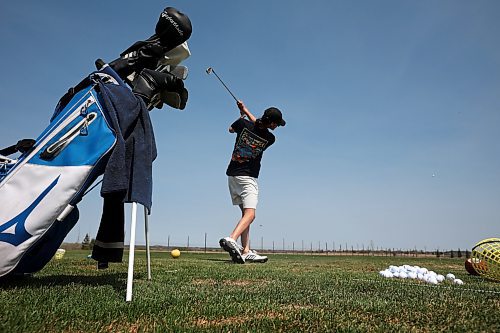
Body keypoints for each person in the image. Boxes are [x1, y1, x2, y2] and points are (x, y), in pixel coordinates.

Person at [219, 100, 285, 263]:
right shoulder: (270, 138)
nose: (277, 126)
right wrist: (246, 111)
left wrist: (243, 113)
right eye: (276, 123)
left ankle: (246, 250)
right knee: (251, 214)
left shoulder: (242, 124)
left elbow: (231, 129)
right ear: (271, 123)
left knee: (245, 216)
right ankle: (232, 239)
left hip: (232, 176)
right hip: (248, 178)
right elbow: (258, 126)